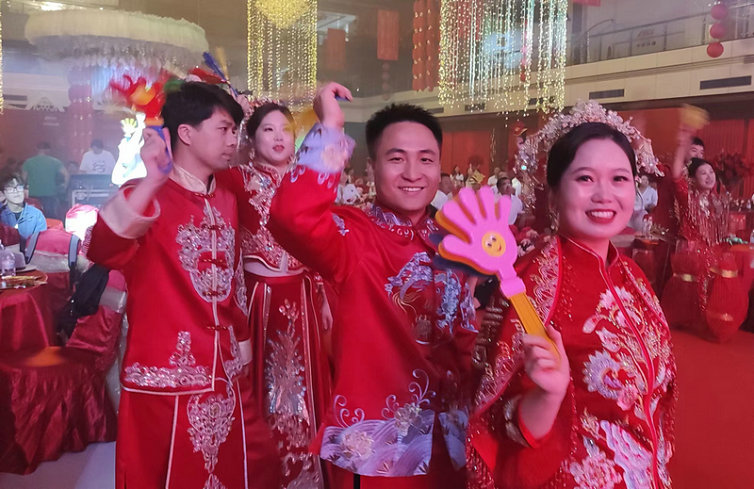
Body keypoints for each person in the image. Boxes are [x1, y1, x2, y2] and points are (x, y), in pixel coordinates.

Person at [268, 84, 477, 489]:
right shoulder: (352, 236)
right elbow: (291, 216)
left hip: (452, 438)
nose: (413, 173)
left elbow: (467, 335)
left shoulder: (453, 242)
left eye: (426, 159)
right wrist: (330, 127)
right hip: (379, 452)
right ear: (371, 168)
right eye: (396, 159)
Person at [87, 82, 276, 489]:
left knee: (243, 468)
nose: (233, 141)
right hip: (165, 373)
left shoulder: (226, 198)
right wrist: (152, 181)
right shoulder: (146, 195)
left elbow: (234, 282)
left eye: (235, 131)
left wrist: (242, 342)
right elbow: (103, 249)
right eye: (223, 129)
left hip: (224, 367)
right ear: (186, 133)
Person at [468, 121, 676, 489]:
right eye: (585, 178)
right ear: (553, 196)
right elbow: (496, 422)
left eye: (619, 179)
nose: (604, 195)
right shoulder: (532, 284)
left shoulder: (632, 276)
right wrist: (548, 396)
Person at [216, 100, 332, 489]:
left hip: (301, 296)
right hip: (258, 300)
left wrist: (322, 293)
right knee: (261, 390)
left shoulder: (305, 180)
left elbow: (317, 240)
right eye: (268, 129)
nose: (279, 137)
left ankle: (306, 473)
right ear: (251, 138)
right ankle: (262, 473)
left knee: (304, 388)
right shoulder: (237, 179)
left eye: (285, 129)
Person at [661, 127, 743, 337]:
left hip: (713, 248)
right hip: (692, 249)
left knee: (724, 264)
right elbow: (676, 174)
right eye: (703, 173)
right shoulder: (687, 196)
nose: (709, 176)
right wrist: (682, 145)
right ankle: (693, 318)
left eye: (711, 172)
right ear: (693, 179)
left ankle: (712, 319)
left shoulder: (717, 200)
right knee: (702, 264)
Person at [22, 141, 67, 219]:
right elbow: (66, 175)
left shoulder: (28, 162)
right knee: (50, 218)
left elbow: (23, 179)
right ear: (48, 150)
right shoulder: (55, 162)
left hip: (33, 194)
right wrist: (64, 187)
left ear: (36, 149)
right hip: (50, 194)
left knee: (34, 218)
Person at [0, 172, 47, 240]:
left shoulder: (36, 215)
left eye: (19, 187)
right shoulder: (1, 213)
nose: (16, 191)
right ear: (2, 193)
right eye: (10, 189)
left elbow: (41, 241)